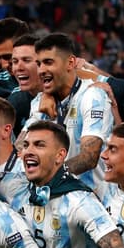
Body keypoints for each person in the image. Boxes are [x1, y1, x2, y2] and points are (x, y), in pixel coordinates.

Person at [24, 33, 114, 199]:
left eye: (48, 62)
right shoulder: (39, 102)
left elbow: (89, 158)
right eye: (39, 64)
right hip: (54, 197)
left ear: (71, 63)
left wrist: (47, 175)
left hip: (94, 198)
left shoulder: (92, 95)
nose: (41, 70)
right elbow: (20, 147)